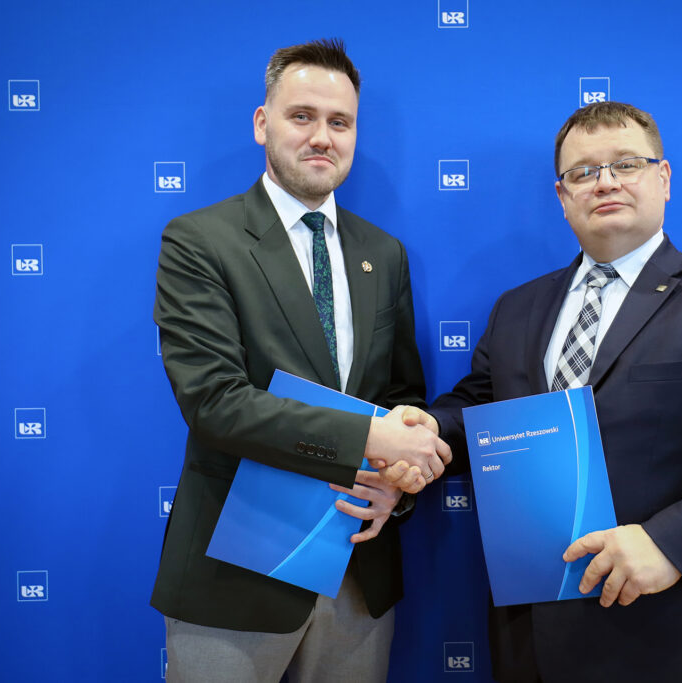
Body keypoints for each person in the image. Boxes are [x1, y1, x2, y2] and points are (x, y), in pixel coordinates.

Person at [391, 101, 682, 682]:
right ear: (562, 195)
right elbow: (481, 409)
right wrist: (430, 431)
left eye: (626, 164)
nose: (605, 182)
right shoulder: (516, 308)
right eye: (583, 172)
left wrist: (671, 544)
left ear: (663, 179)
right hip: (529, 634)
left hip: (662, 631)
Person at [151, 39, 449, 683]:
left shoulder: (384, 253)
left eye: (340, 122)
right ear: (263, 123)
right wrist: (371, 436)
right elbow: (215, 403)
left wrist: (396, 481)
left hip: (357, 571)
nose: (322, 136)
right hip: (235, 573)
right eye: (302, 116)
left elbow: (402, 396)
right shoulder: (199, 241)